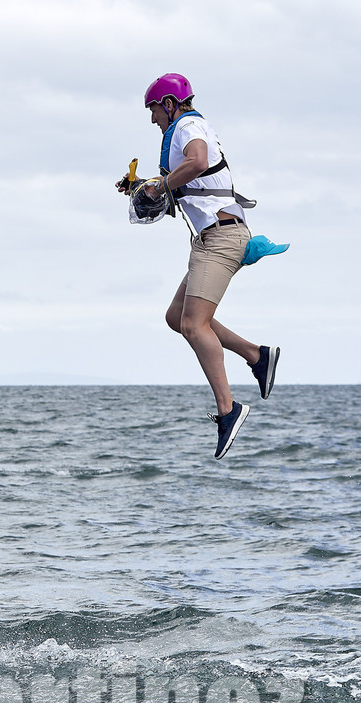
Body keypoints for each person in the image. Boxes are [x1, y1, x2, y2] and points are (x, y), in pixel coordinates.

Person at [119, 73, 280, 460]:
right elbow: (191, 181)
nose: (153, 118)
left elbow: (197, 162)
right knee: (177, 317)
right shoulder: (184, 128)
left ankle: (229, 410)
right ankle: (257, 356)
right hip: (211, 237)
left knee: (194, 324)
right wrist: (144, 185)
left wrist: (160, 186)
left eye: (155, 109)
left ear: (170, 103)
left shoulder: (189, 125)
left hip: (221, 238)